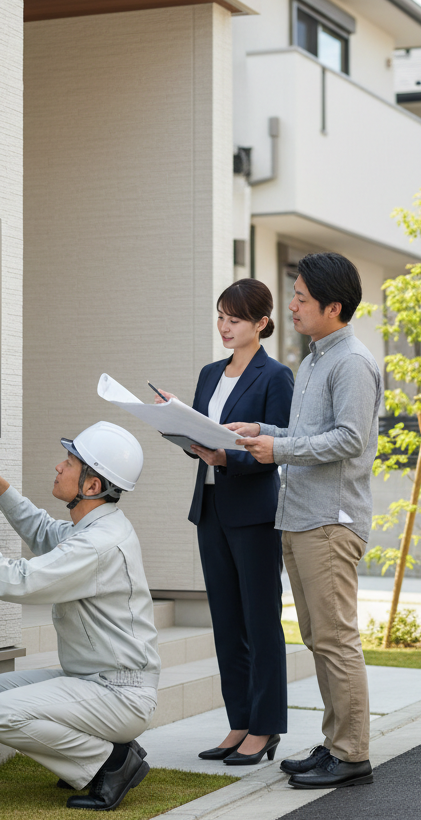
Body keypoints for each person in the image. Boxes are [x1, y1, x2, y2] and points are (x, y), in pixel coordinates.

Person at [0, 422, 160, 811]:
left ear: (92, 486)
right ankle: (109, 749)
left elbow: (15, 582)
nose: (58, 467)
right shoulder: (98, 526)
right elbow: (47, 533)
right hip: (98, 681)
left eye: (68, 463)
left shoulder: (98, 544)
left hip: (118, 693)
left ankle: (111, 764)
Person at [228, 253, 382, 790]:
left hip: (329, 521)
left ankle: (352, 754)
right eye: (293, 295)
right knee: (319, 637)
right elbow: (309, 432)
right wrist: (263, 429)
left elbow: (349, 438)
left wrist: (279, 447)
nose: (290, 306)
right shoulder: (315, 358)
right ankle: (336, 743)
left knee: (336, 639)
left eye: (301, 298)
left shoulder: (352, 362)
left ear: (333, 307)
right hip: (299, 518)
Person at [157, 279, 294, 765]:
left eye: (234, 319)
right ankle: (239, 723)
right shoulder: (210, 373)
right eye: (220, 317)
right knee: (226, 623)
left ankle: (266, 728)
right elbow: (202, 434)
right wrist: (176, 420)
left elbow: (277, 450)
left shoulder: (276, 377)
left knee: (261, 622)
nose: (225, 327)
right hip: (211, 509)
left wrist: (226, 459)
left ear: (261, 323)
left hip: (254, 512)